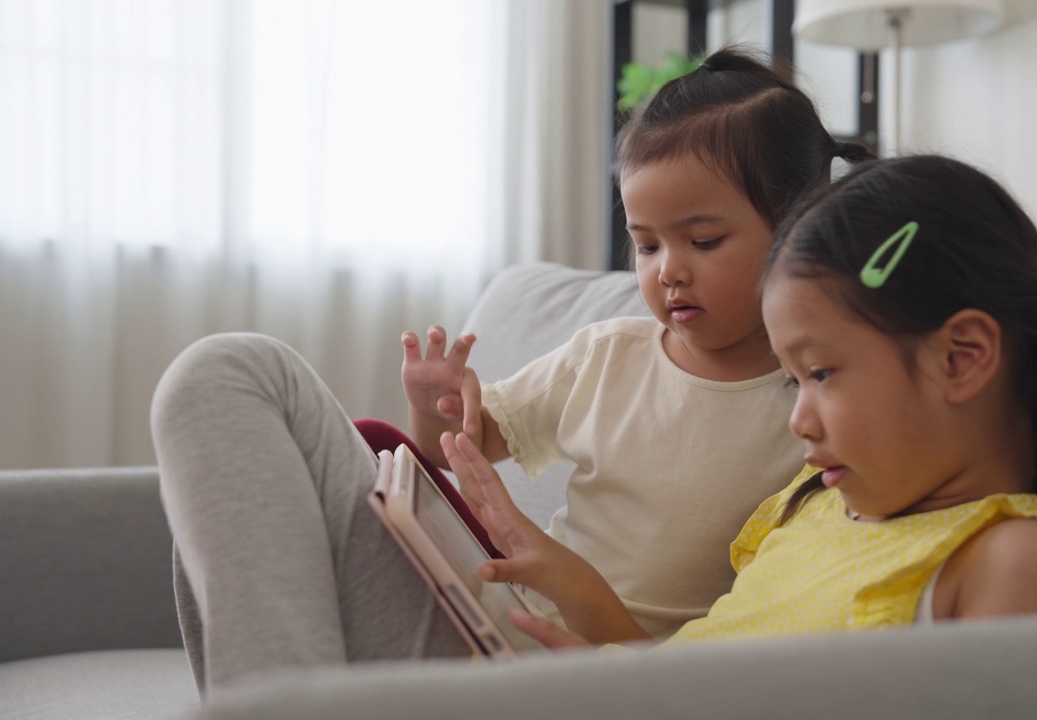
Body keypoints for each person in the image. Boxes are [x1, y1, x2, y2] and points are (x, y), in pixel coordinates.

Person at [152, 46, 864, 695]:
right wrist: (436, 411)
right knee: (237, 409)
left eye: (702, 240)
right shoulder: (607, 353)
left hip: (574, 669)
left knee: (230, 374)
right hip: (498, 609)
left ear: (799, 225)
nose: (668, 271)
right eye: (645, 245)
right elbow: (456, 450)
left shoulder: (815, 415)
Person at [437, 154, 1037, 650]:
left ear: (962, 358)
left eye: (822, 373)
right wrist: (566, 580)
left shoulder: (1013, 558)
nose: (797, 418)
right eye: (793, 380)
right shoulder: (814, 502)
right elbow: (677, 677)